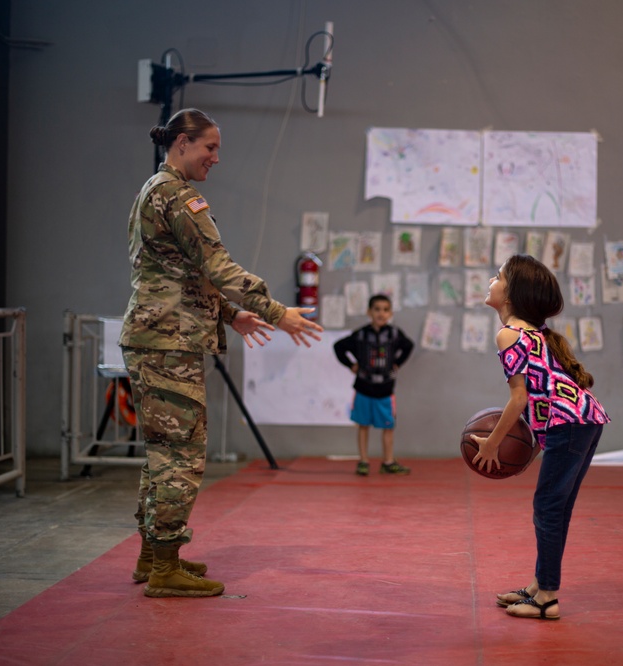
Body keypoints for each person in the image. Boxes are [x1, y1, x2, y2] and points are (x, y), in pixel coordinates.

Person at [119, 108, 323, 598]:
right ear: (183, 142)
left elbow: (185, 274)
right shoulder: (178, 195)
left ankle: (153, 556)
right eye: (210, 147)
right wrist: (278, 313)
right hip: (168, 343)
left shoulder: (155, 190)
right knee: (181, 457)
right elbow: (219, 266)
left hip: (156, 337)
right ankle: (165, 567)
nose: (215, 158)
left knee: (162, 455)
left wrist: (232, 316)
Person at [472, 254, 609, 620]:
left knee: (547, 508)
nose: (491, 279)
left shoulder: (508, 334)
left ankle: (547, 596)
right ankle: (539, 584)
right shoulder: (536, 335)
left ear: (511, 294)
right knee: (556, 508)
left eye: (497, 276)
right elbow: (540, 399)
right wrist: (534, 449)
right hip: (586, 417)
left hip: (571, 421)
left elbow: (519, 399)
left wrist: (492, 442)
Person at [333, 294, 414, 476]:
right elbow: (339, 347)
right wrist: (351, 365)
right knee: (363, 425)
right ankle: (363, 461)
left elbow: (409, 346)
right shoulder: (360, 335)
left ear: (390, 313)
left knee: (388, 426)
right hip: (363, 388)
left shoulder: (394, 334)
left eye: (385, 310)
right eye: (377, 309)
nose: (381, 313)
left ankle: (388, 461)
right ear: (369, 312)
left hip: (385, 390)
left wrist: (397, 363)